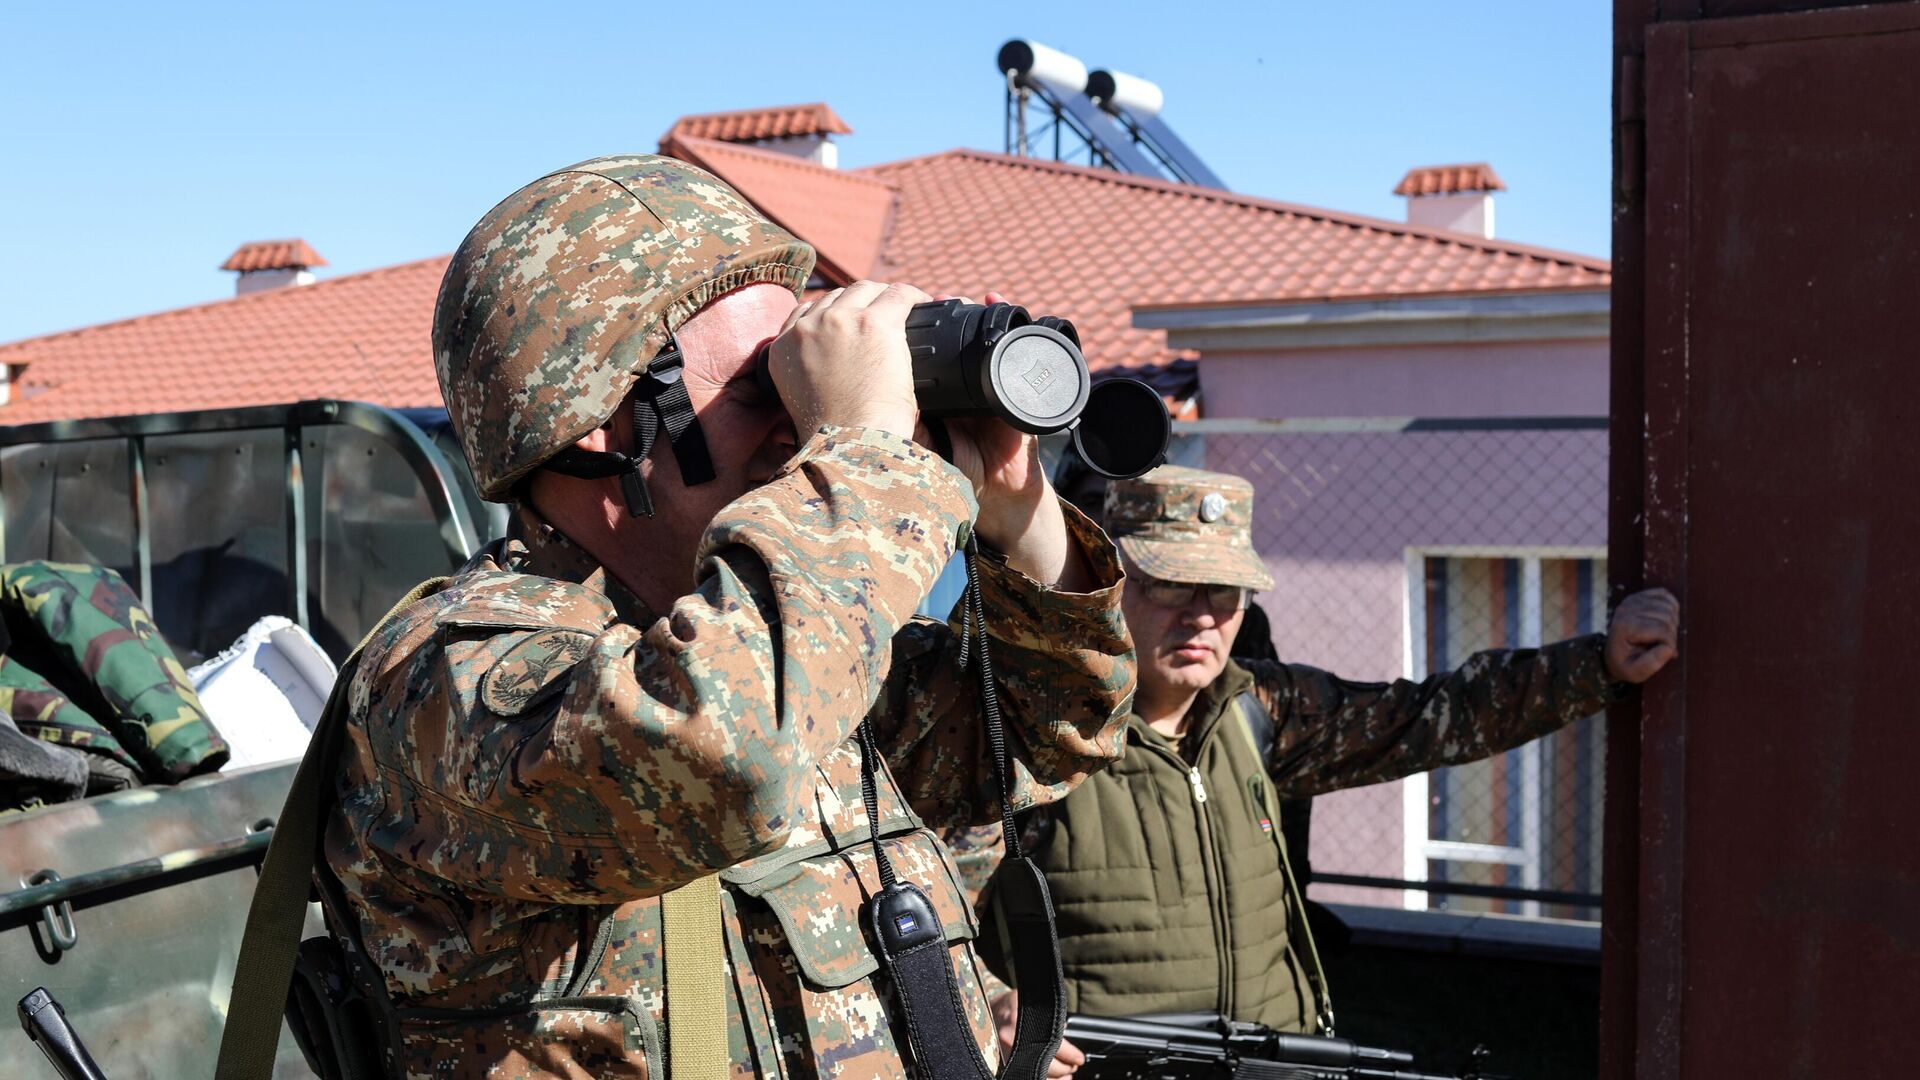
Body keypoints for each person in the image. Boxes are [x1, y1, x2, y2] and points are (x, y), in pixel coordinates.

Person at [317, 156, 1134, 1078]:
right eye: (764, 386)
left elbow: (1043, 730)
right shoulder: (447, 674)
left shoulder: (773, 634)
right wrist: (864, 454)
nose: (803, 425)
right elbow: (726, 753)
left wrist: (1016, 513)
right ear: (600, 419)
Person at [968, 465, 1679, 1070]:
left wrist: (1599, 664)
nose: (1201, 617)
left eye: (1224, 593)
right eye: (1171, 586)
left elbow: (1435, 717)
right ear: (1114, 584)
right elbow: (916, 886)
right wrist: (989, 1004)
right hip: (1110, 1067)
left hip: (1273, 1060)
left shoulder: (1263, 711)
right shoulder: (1034, 732)